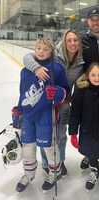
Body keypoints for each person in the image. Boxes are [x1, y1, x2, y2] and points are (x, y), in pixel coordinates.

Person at [23, 29, 85, 176]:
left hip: (63, 101)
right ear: (64, 41)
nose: (72, 43)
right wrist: (36, 67)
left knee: (61, 135)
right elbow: (27, 57)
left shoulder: (81, 61)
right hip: (46, 101)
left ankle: (60, 161)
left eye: (75, 40)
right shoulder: (55, 54)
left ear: (79, 42)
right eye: (69, 40)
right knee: (47, 134)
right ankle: (46, 163)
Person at [13, 38, 69, 192]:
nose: (41, 51)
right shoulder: (25, 70)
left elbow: (65, 90)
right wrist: (18, 109)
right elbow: (22, 92)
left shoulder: (56, 69)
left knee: (49, 147)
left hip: (46, 115)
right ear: (34, 49)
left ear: (51, 51)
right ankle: (29, 174)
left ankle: (54, 172)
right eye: (38, 48)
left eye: (45, 49)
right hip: (28, 116)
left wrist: (57, 93)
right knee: (28, 147)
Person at [69, 62, 99, 190]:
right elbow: (75, 112)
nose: (97, 78)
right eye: (93, 75)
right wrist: (73, 132)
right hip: (87, 130)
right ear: (87, 76)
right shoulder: (81, 90)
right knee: (91, 151)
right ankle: (94, 170)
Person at [78, 6, 99, 170]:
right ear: (88, 22)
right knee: (89, 124)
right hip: (87, 91)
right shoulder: (81, 40)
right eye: (93, 20)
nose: (96, 22)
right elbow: (59, 52)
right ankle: (90, 155)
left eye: (98, 19)